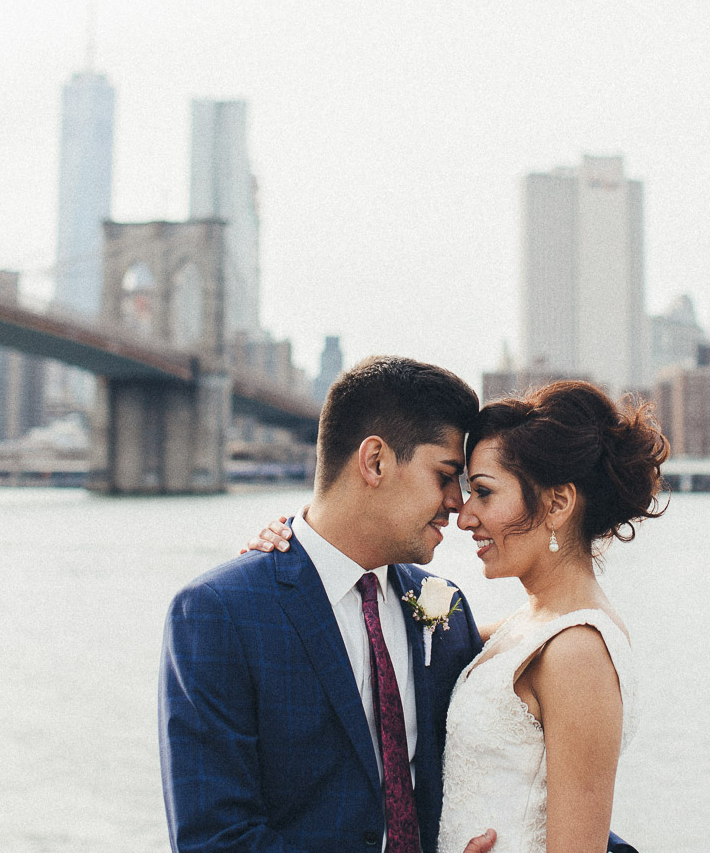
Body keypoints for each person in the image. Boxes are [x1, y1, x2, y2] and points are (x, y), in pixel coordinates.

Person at [249, 380, 668, 853]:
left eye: (484, 493)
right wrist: (298, 543)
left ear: (557, 503)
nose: (463, 515)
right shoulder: (519, 629)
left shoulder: (579, 654)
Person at [159, 355, 499, 853]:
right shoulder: (218, 613)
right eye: (446, 474)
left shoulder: (444, 607)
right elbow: (216, 839)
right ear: (376, 461)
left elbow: (508, 773)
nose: (457, 501)